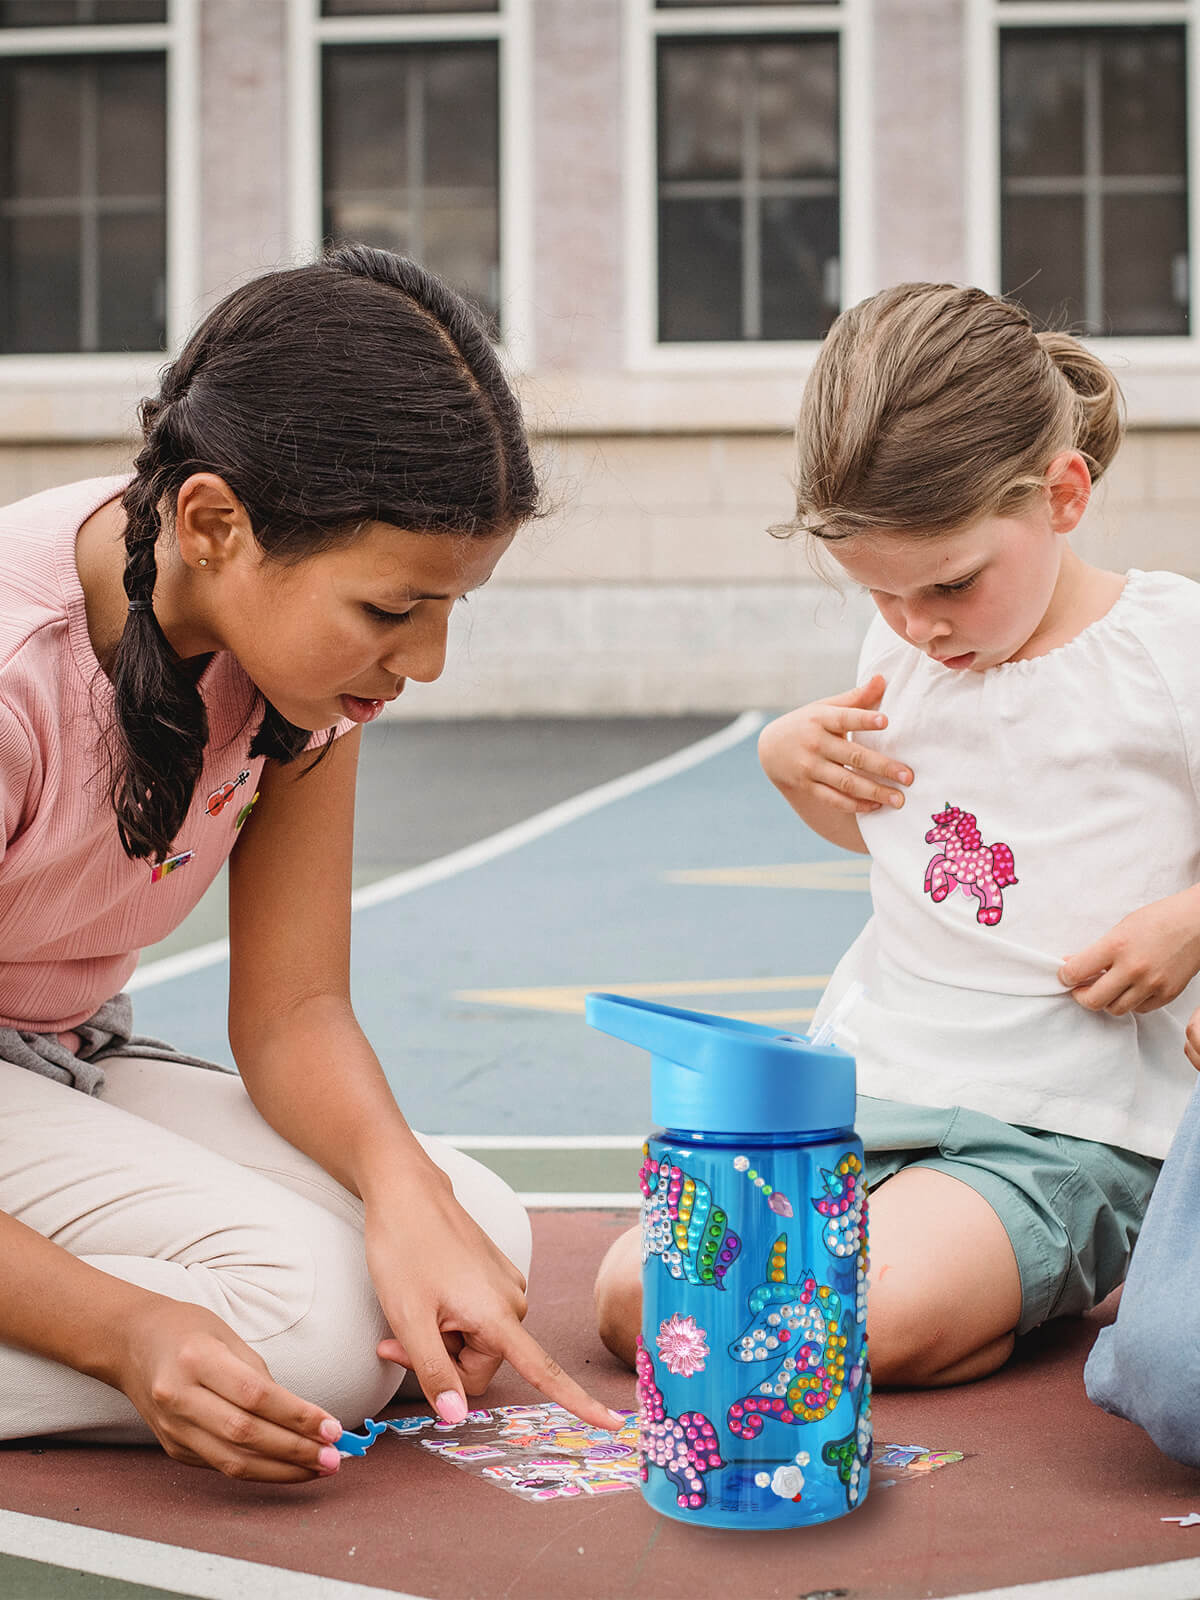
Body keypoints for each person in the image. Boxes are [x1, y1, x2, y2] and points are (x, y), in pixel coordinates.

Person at [0, 244, 621, 1484]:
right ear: (215, 523)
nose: (428, 660)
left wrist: (400, 1192)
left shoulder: (294, 671)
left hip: (59, 1053)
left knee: (467, 1229)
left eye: (452, 609)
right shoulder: (16, 669)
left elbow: (291, 1010)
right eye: (394, 610)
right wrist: (126, 1334)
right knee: (323, 1338)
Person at [595, 282, 1200, 1393]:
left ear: (1064, 495)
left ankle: (973, 1299)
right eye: (881, 593)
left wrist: (1192, 919)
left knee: (841, 1315)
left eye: (952, 584)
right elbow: (892, 833)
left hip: (1060, 1127)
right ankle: (963, 1304)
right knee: (635, 1295)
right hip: (866, 1090)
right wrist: (793, 763)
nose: (920, 625)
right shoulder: (916, 660)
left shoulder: (1169, 647)